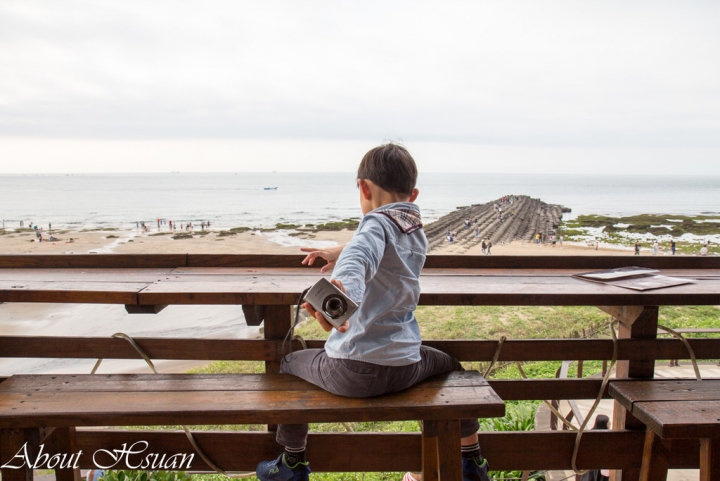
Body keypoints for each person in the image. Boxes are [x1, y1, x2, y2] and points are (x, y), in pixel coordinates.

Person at [255, 144, 489, 481]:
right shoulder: (415, 232)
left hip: (353, 371)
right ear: (414, 194)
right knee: (451, 366)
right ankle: (470, 461)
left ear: (364, 187)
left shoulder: (373, 224)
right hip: (406, 366)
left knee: (290, 363)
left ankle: (292, 463)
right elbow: (373, 248)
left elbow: (361, 257)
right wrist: (341, 249)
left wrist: (343, 290)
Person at [580, 415, 610, 481]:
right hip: (597, 466)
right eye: (608, 423)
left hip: (591, 465)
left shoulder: (590, 433)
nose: (609, 425)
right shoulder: (606, 438)